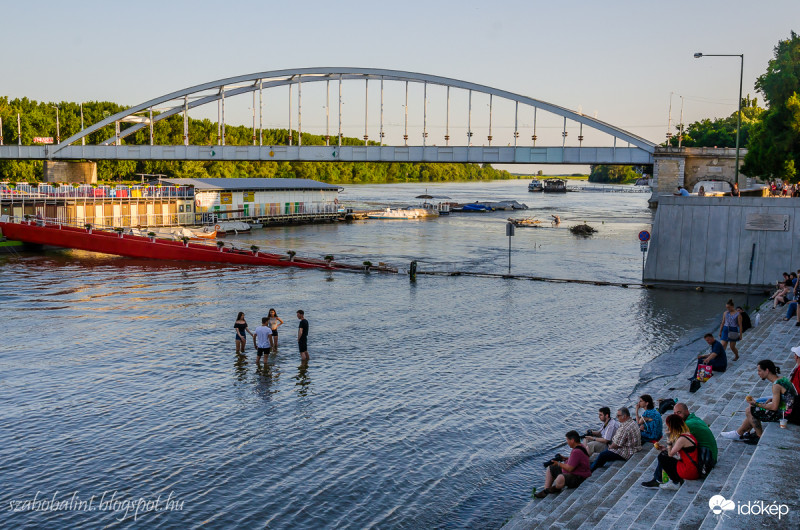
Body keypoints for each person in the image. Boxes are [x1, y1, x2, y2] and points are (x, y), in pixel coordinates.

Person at [721, 360, 798, 444]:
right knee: (751, 408)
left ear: (767, 370)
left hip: (785, 414)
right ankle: (740, 433)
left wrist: (756, 404)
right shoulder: (782, 379)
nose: (758, 373)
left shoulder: (776, 385)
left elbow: (774, 407)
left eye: (759, 370)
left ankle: (759, 437)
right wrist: (772, 399)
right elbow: (788, 396)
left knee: (751, 410)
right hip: (792, 409)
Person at [640, 414, 700, 490]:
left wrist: (669, 438)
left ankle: (675, 482)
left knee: (662, 457)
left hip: (689, 471)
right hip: (692, 467)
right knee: (664, 454)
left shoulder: (682, 439)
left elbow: (671, 454)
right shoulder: (688, 435)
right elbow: (675, 453)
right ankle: (658, 479)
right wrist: (665, 449)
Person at [534, 431, 591, 498]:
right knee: (551, 468)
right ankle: (546, 490)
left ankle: (555, 489)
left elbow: (570, 468)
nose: (567, 442)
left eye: (567, 440)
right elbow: (576, 460)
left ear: (572, 440)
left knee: (560, 478)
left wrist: (558, 463)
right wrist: (564, 458)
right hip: (577, 472)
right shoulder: (581, 446)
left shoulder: (576, 451)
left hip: (579, 477)